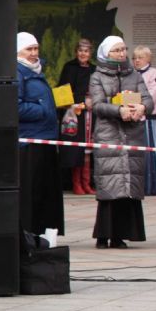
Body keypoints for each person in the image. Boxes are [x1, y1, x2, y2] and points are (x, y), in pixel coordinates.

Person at [88, 35, 150, 249]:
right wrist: (118, 110)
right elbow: (97, 105)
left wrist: (142, 107)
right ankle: (104, 234)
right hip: (109, 134)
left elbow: (147, 99)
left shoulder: (134, 74)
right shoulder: (97, 76)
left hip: (131, 134)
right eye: (117, 50)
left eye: (124, 49)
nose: (122, 53)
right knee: (110, 185)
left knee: (128, 186)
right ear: (107, 53)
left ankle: (121, 235)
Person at [17, 32, 64, 237]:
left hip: (46, 138)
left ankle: (44, 234)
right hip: (30, 141)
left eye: (36, 48)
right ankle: (30, 232)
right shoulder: (18, 72)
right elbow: (15, 106)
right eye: (29, 49)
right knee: (32, 191)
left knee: (46, 192)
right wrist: (43, 109)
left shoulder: (36, 72)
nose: (34, 53)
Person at [58, 38, 95, 195]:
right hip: (74, 114)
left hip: (90, 114)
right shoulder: (69, 67)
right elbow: (62, 92)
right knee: (75, 149)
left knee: (87, 148)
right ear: (76, 52)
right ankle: (76, 183)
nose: (83, 54)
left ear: (90, 53)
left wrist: (93, 100)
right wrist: (80, 101)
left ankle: (86, 183)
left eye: (86, 51)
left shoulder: (94, 69)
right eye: (80, 50)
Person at [133, 45, 156, 196]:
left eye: (140, 58)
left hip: (148, 119)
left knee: (150, 152)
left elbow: (151, 95)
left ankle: (154, 185)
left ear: (148, 59)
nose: (136, 60)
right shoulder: (131, 74)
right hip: (134, 118)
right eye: (134, 58)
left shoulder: (155, 73)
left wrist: (137, 104)